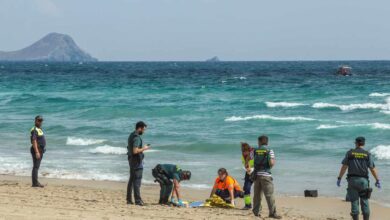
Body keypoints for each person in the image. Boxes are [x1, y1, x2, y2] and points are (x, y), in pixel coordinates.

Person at [337, 137, 381, 220]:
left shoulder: (350, 153)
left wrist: (339, 178)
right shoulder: (367, 154)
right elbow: (372, 169)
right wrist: (377, 180)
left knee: (354, 201)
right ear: (363, 144)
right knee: (365, 201)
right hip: (363, 181)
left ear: (356, 143)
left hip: (352, 181)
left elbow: (344, 166)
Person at [252, 135, 282, 219]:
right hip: (266, 175)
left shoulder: (255, 150)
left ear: (260, 142)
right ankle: (272, 213)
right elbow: (272, 163)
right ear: (267, 142)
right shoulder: (270, 150)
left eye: (258, 141)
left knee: (257, 195)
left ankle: (256, 213)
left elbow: (249, 161)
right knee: (269, 195)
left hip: (257, 175)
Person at [126, 121, 150, 206]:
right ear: (140, 128)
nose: (144, 131)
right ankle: (138, 201)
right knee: (137, 181)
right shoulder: (136, 137)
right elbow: (135, 151)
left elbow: (130, 148)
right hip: (136, 161)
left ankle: (129, 200)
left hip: (131, 160)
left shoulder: (131, 135)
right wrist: (144, 148)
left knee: (132, 180)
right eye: (143, 129)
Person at [30, 115, 46, 188]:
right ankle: (35, 183)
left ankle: (35, 182)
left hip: (40, 150)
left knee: (36, 166)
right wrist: (36, 152)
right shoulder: (34, 129)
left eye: (41, 120)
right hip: (37, 150)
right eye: (39, 120)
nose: (40, 122)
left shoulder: (39, 129)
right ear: (35, 121)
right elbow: (34, 140)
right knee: (36, 167)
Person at [241, 142, 255, 209]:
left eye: (246, 151)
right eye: (243, 151)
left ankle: (258, 205)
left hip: (256, 171)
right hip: (248, 172)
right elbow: (245, 165)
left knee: (259, 189)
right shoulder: (243, 156)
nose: (244, 153)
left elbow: (259, 163)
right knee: (246, 188)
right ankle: (248, 205)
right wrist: (247, 169)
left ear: (249, 150)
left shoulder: (254, 154)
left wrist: (251, 169)